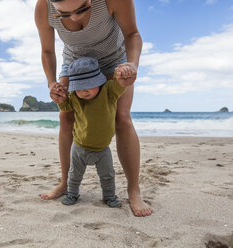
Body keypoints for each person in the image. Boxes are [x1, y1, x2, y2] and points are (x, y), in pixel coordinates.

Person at [35, 0, 153, 216]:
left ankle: (134, 190)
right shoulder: (44, 7)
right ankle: (65, 183)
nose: (75, 18)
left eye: (82, 9)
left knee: (122, 118)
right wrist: (52, 83)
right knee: (65, 117)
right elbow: (47, 50)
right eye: (64, 14)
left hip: (114, 59)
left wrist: (132, 64)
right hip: (75, 64)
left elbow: (132, 34)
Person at [58, 57, 126, 207]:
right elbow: (66, 107)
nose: (84, 90)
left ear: (99, 81)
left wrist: (122, 76)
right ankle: (72, 193)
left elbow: (120, 85)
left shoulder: (108, 91)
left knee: (107, 175)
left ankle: (109, 196)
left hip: (102, 149)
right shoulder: (74, 96)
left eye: (89, 85)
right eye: (79, 87)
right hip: (79, 146)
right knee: (74, 174)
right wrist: (60, 99)